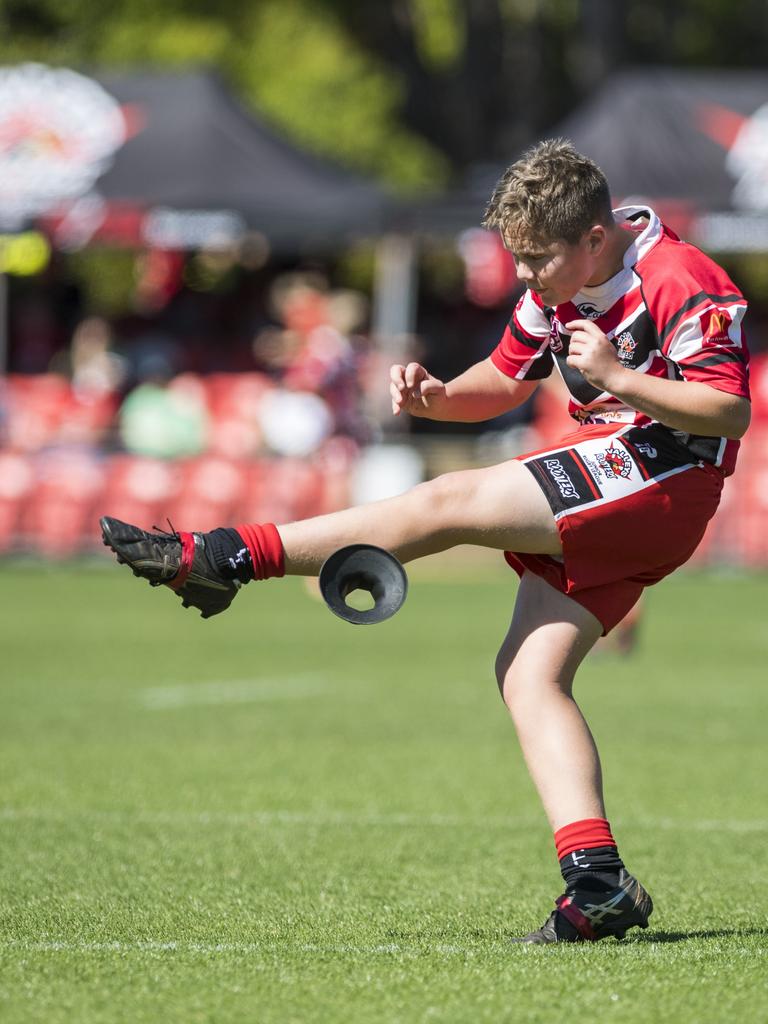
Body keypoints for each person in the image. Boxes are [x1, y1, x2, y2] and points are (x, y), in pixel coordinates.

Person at [100, 140, 751, 944]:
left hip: (666, 476)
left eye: (536, 260)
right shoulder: (559, 279)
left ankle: (223, 557)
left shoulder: (679, 277)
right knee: (526, 675)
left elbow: (729, 411)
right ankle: (599, 884)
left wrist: (619, 379)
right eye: (514, 259)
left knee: (448, 502)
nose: (523, 276)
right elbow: (505, 380)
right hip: (625, 479)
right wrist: (441, 398)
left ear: (592, 237)